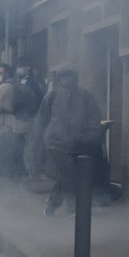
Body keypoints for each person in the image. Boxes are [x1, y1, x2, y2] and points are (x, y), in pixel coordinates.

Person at [34, 64, 104, 216]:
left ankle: (52, 204)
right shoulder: (52, 95)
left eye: (69, 75)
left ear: (75, 77)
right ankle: (72, 207)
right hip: (56, 142)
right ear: (59, 78)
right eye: (64, 76)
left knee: (67, 174)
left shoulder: (86, 96)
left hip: (78, 142)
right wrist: (41, 139)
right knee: (69, 173)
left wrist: (89, 137)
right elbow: (42, 118)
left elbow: (94, 118)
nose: (67, 79)